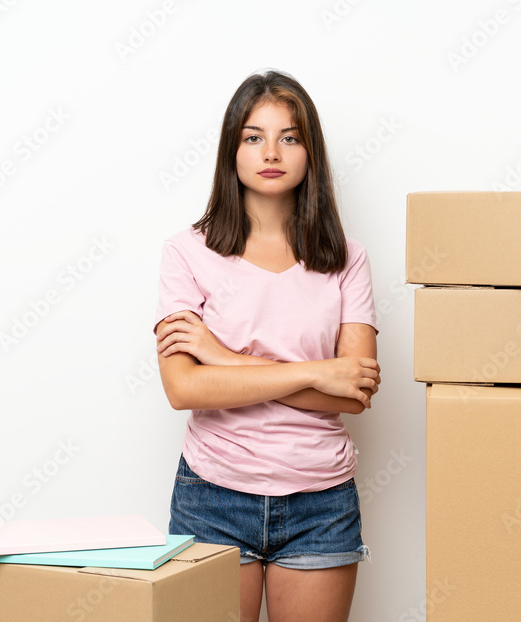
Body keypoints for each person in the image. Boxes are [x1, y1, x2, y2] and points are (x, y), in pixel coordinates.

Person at [152, 69, 380, 622]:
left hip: (320, 503)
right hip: (213, 495)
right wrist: (315, 373)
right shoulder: (187, 252)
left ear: (310, 151)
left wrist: (224, 360)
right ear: (232, 149)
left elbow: (352, 393)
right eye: (253, 136)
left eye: (290, 136)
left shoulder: (346, 257)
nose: (271, 151)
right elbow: (185, 388)